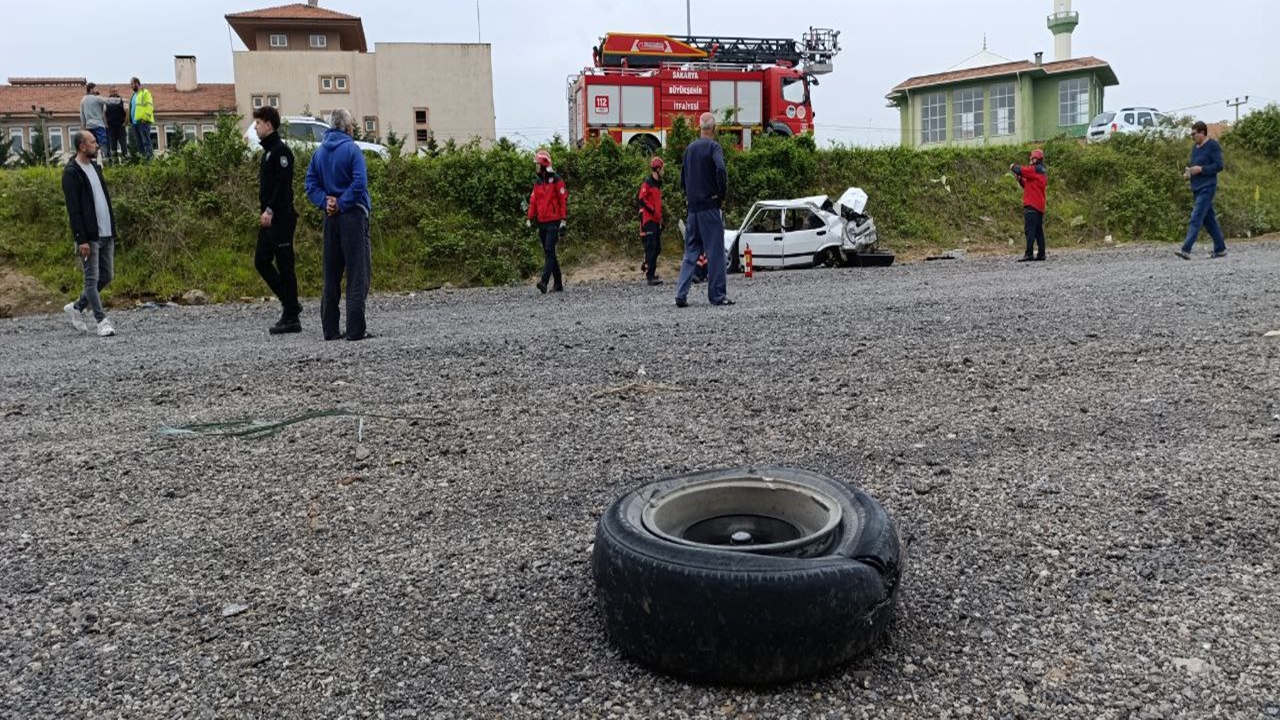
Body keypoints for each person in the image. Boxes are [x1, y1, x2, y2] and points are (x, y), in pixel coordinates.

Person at [304, 108, 372, 341]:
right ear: (348, 128)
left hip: (330, 218)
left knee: (331, 274)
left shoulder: (319, 153)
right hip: (353, 215)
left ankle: (330, 328)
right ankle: (355, 329)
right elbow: (360, 183)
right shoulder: (352, 150)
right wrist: (342, 203)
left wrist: (326, 202)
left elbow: (310, 184)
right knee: (357, 273)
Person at [61, 131, 117, 337]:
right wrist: (81, 239)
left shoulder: (95, 167)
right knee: (91, 280)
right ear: (82, 146)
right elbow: (74, 210)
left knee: (107, 276)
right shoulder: (71, 173)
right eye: (93, 142)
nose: (97, 145)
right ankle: (101, 321)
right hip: (89, 237)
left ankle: (77, 307)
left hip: (106, 232)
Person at [674, 112, 732, 307]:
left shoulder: (689, 149)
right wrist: (721, 194)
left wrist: (688, 196)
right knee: (715, 253)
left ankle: (681, 294)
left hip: (693, 210)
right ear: (714, 129)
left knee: (691, 252)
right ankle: (717, 295)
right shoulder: (714, 147)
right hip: (710, 207)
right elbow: (721, 169)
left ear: (699, 128)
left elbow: (682, 177)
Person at [252, 106, 301, 334]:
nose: (255, 127)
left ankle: (291, 316)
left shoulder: (281, 152)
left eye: (258, 123)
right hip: (269, 219)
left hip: (280, 218)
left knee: (284, 264)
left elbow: (283, 187)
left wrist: (270, 210)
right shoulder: (268, 153)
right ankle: (291, 303)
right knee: (261, 260)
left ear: (269, 125)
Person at [1175, 121, 1227, 260]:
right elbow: (1194, 167)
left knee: (1196, 217)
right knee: (1209, 221)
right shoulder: (1195, 148)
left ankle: (1186, 249)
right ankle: (1220, 249)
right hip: (1196, 188)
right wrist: (1189, 174)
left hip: (1207, 187)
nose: (1192, 137)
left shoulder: (1213, 146)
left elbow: (1219, 166)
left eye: (1194, 134)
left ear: (1202, 133)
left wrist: (1202, 169)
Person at [526, 149, 567, 294]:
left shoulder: (556, 180)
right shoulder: (537, 182)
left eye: (538, 164)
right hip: (541, 222)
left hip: (553, 221)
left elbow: (563, 200)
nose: (536, 166)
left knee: (549, 250)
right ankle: (558, 283)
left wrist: (563, 220)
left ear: (544, 165)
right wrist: (529, 218)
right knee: (550, 253)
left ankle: (544, 282)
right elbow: (533, 201)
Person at [1010, 148, 1047, 262]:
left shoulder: (1034, 170)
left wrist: (1012, 167)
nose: (1031, 160)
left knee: (1029, 230)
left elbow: (1020, 170)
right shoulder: (1041, 172)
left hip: (1032, 205)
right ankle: (1041, 254)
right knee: (1038, 231)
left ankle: (1029, 253)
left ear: (1036, 159)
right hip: (1039, 206)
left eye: (1032, 158)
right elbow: (1028, 185)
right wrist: (1020, 180)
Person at [637, 156, 665, 286]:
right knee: (652, 247)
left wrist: (660, 220)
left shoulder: (658, 185)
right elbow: (642, 199)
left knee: (657, 248)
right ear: (658, 169)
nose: (663, 171)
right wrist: (652, 210)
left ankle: (649, 269)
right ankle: (650, 275)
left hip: (656, 220)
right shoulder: (648, 182)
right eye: (662, 169)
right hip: (649, 220)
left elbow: (658, 204)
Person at [79, 83, 108, 162]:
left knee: (91, 143)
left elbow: (82, 115)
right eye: (95, 88)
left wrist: (84, 126)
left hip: (89, 126)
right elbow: (104, 110)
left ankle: (92, 160)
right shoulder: (96, 98)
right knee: (102, 142)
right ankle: (105, 158)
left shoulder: (83, 100)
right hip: (99, 124)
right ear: (91, 89)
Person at [129, 77, 154, 162]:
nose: (131, 86)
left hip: (143, 122)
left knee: (146, 142)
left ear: (137, 83)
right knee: (139, 144)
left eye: (132, 84)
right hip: (134, 123)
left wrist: (145, 118)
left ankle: (149, 161)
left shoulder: (145, 92)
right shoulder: (133, 95)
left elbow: (149, 106)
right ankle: (143, 161)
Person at [104, 90, 128, 163]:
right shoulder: (106, 102)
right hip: (111, 128)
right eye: (113, 91)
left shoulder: (122, 101)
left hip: (121, 127)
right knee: (113, 148)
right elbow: (103, 114)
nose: (114, 93)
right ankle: (116, 164)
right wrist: (106, 124)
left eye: (115, 91)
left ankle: (125, 162)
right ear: (110, 93)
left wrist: (125, 123)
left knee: (124, 147)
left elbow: (127, 111)